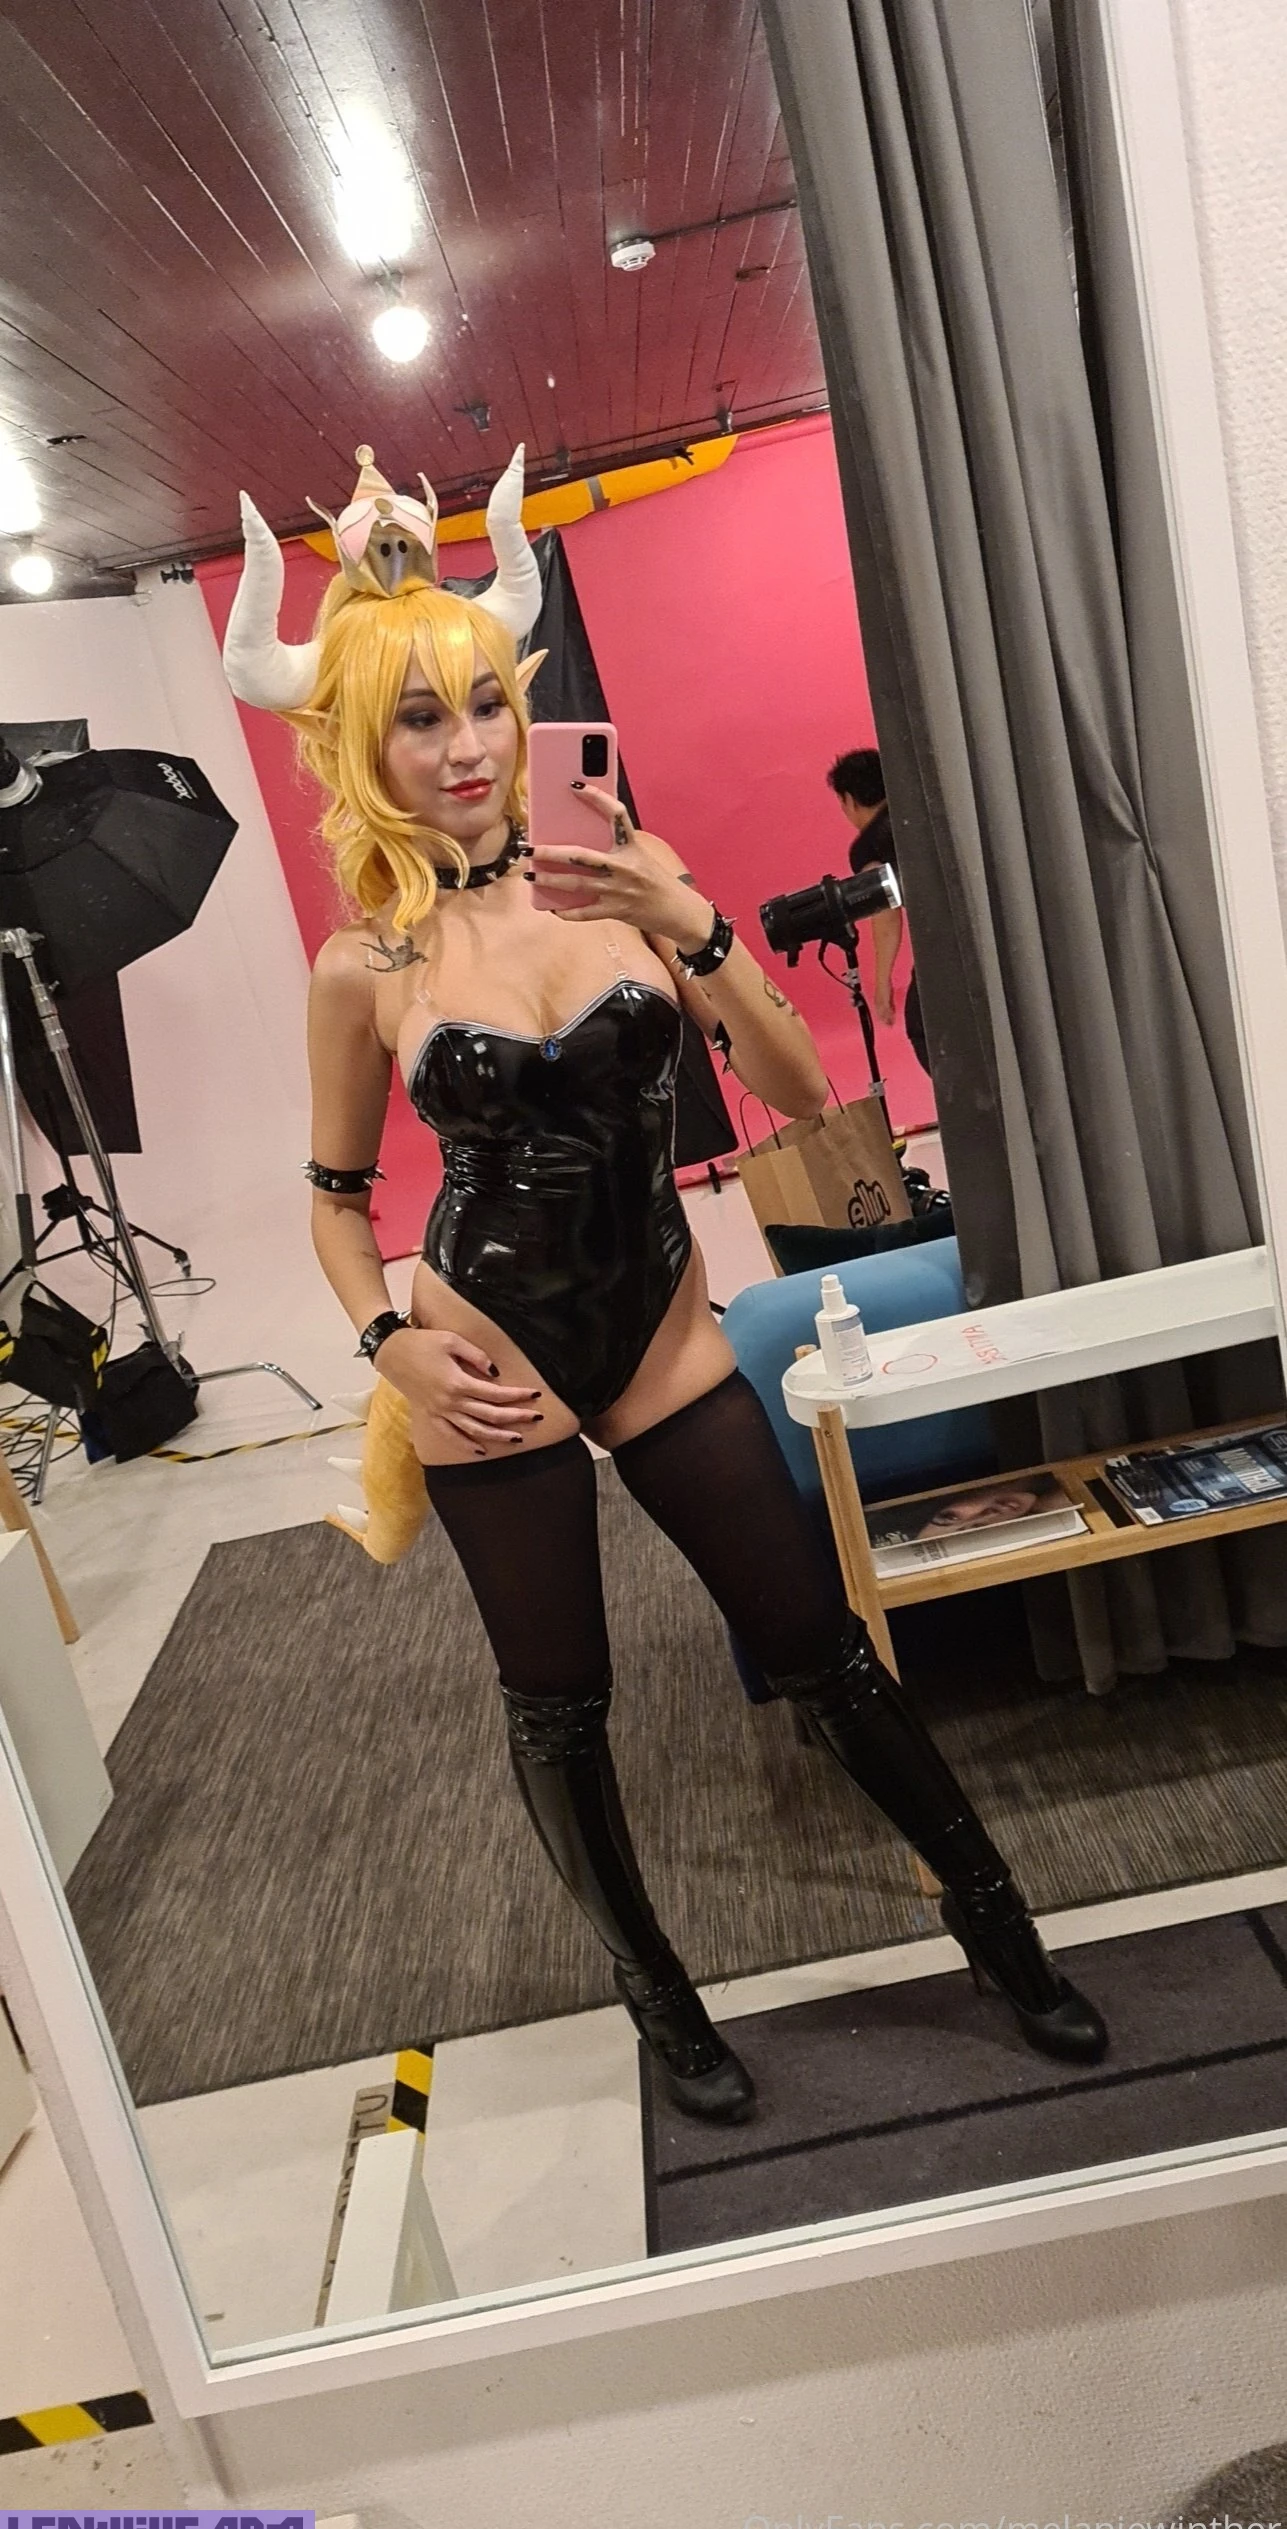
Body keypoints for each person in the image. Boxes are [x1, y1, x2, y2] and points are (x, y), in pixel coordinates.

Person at [222, 446, 1107, 2128]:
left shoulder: (619, 879)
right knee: (564, 1707)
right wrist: (386, 1345)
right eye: (418, 720)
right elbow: (336, 1204)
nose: (467, 747)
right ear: (355, 746)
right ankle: (657, 1996)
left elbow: (794, 1089)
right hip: (483, 1362)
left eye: (486, 704)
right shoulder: (363, 966)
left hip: (664, 1338)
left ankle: (1001, 1930)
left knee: (821, 1650)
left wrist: (686, 917)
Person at [827, 746, 929, 1074]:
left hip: (946, 944)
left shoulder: (869, 846)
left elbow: (886, 913)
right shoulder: (924, 813)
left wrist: (881, 980)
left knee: (923, 1028)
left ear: (849, 800)